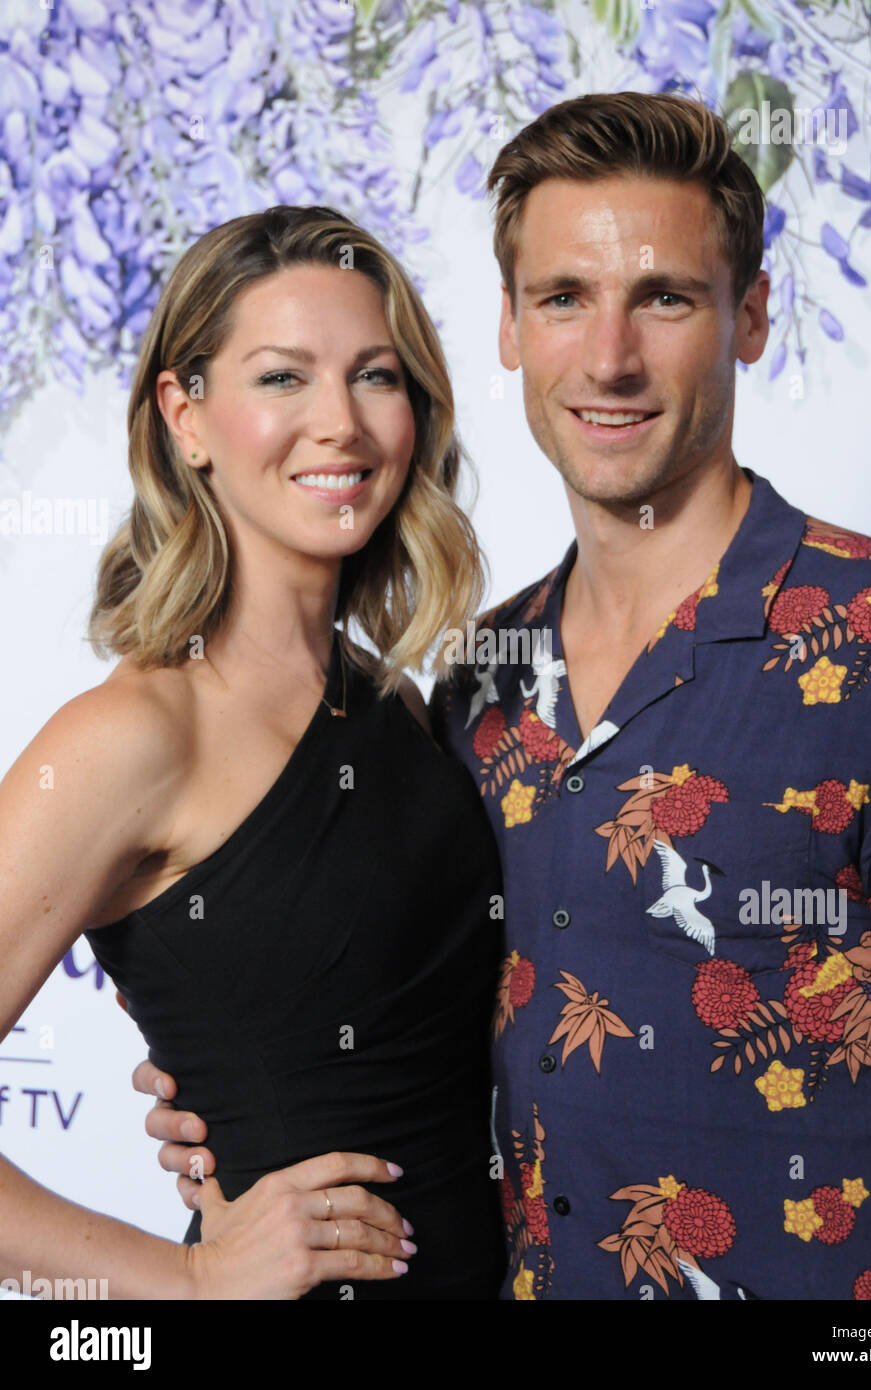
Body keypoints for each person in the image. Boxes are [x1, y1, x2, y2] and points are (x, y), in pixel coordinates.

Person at [136, 93, 871, 1301]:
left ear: (749, 318)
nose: (608, 358)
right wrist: (238, 1094)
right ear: (508, 327)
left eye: (664, 297)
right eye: (563, 299)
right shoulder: (479, 687)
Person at [0, 205, 506, 1300]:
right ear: (186, 416)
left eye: (375, 376)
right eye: (282, 378)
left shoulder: (397, 704)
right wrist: (183, 1280)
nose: (342, 424)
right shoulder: (134, 735)